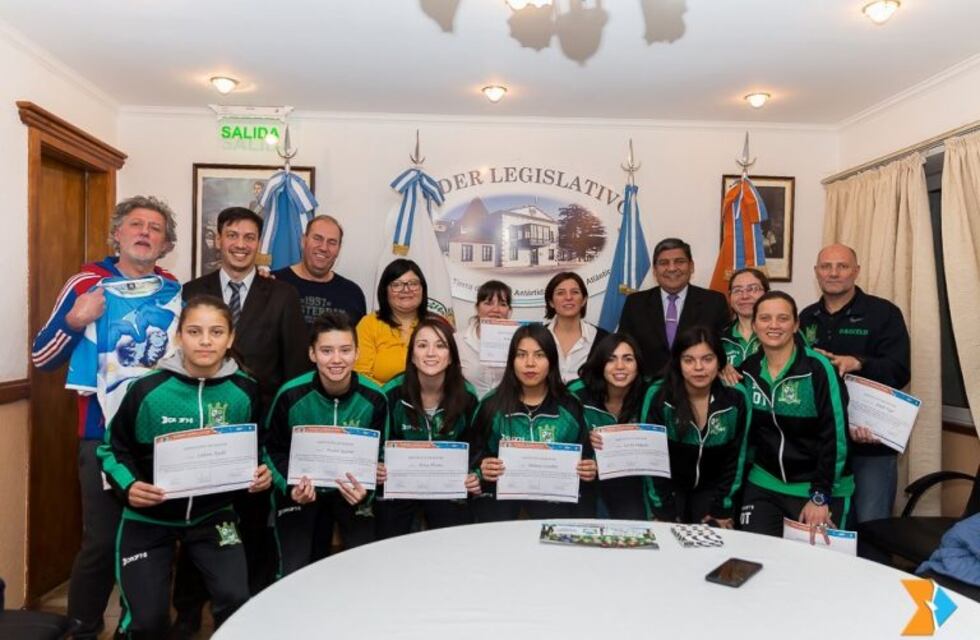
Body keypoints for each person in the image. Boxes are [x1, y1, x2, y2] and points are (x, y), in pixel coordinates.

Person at [30, 195, 179, 638]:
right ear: (117, 233)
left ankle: (136, 628)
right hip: (100, 435)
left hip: (155, 437)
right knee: (101, 541)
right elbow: (42, 357)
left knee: (150, 538)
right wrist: (76, 320)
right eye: (136, 224)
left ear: (166, 244)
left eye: (155, 228)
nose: (145, 233)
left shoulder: (173, 288)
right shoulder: (86, 283)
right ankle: (83, 628)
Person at [97, 296, 271, 637]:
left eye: (216, 332)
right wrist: (129, 486)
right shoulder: (147, 389)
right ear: (179, 337)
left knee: (236, 599)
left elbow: (258, 446)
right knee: (148, 621)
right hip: (149, 519)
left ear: (230, 339)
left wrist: (262, 471)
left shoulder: (245, 390)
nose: (205, 341)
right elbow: (111, 449)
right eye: (194, 331)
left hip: (213, 516)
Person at [179, 206, 307, 625]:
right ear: (218, 239)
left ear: (259, 244)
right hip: (199, 430)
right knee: (195, 521)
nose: (240, 244)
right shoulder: (191, 291)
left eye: (249, 237)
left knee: (252, 525)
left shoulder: (282, 294)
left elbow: (295, 370)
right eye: (232, 235)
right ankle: (187, 613)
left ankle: (250, 613)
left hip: (257, 433)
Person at [264, 310, 388, 577]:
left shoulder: (376, 398)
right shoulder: (290, 395)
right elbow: (271, 449)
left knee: (366, 567)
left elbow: (381, 456)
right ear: (312, 354)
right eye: (326, 351)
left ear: (357, 353)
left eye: (345, 350)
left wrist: (366, 491)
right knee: (293, 571)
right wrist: (291, 487)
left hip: (351, 494)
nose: (336, 360)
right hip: (302, 493)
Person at [800, 244, 910, 524]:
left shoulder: (883, 313)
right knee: (825, 526)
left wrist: (858, 362)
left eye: (842, 266)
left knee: (871, 525)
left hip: (869, 442)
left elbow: (900, 370)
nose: (833, 273)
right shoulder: (805, 317)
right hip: (822, 445)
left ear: (856, 271)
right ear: (816, 272)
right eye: (826, 266)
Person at [738, 291, 854, 540]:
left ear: (795, 325)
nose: (773, 325)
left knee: (814, 563)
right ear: (755, 325)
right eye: (765, 318)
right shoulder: (747, 371)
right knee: (754, 555)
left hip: (817, 488)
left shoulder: (817, 368)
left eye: (783, 318)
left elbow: (835, 436)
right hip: (764, 483)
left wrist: (820, 496)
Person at [471, 324, 597, 521]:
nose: (530, 363)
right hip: (500, 506)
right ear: (511, 361)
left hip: (555, 506)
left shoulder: (570, 406)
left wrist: (589, 468)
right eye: (521, 355)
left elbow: (587, 457)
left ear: (551, 361)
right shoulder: (491, 405)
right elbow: (473, 454)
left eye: (539, 355)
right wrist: (481, 468)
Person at [378, 318, 481, 538]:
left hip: (447, 486)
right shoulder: (391, 394)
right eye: (422, 345)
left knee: (454, 537)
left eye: (440, 345)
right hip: (400, 485)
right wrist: (379, 467)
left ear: (451, 356)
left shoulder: (468, 396)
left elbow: (476, 447)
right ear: (412, 355)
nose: (431, 353)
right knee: (388, 533)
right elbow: (379, 446)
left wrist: (475, 475)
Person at [640, 327, 752, 527]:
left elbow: (736, 458)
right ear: (678, 362)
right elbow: (650, 458)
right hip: (669, 490)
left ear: (720, 361)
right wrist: (662, 510)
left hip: (713, 492)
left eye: (707, 359)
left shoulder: (736, 397)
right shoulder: (658, 395)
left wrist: (722, 508)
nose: (699, 367)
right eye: (689, 360)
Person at [619, 237, 730, 378]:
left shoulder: (714, 302)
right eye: (664, 263)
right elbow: (624, 348)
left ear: (691, 266)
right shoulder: (635, 303)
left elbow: (724, 348)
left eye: (679, 261)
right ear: (655, 270)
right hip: (647, 386)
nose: (672, 268)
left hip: (698, 384)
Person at [568, 333, 649, 519]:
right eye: (611, 359)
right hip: (586, 478)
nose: (620, 366)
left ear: (638, 364)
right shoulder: (577, 393)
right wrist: (585, 441)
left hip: (631, 480)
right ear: (600, 363)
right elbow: (561, 437)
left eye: (628, 359)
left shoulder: (649, 394)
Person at [272, 215, 367, 327]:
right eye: (317, 238)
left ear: (338, 249)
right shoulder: (273, 283)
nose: (323, 248)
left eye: (332, 242)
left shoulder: (353, 294)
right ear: (303, 241)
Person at [355, 259, 429, 385]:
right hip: (380, 396)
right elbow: (361, 375)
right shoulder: (369, 324)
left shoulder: (436, 324)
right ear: (385, 291)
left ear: (423, 288)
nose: (406, 290)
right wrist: (392, 393)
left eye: (413, 283)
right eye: (397, 285)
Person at [544, 271, 608, 383]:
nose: (568, 297)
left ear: (584, 300)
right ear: (551, 302)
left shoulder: (603, 339)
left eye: (575, 292)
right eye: (560, 293)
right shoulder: (536, 338)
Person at [455, 280, 513, 398]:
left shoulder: (519, 341)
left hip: (507, 406)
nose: (495, 309)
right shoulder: (458, 340)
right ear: (477, 308)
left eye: (502, 304)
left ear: (509, 310)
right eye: (488, 303)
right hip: (470, 406)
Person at [718, 267, 770, 385]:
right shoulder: (718, 339)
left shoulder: (782, 334)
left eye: (753, 289)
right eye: (737, 290)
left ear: (767, 294)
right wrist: (717, 366)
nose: (745, 296)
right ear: (730, 297)